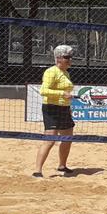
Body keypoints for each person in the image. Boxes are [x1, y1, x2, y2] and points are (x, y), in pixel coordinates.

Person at [34, 45, 76, 178]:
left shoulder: (66, 73)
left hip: (64, 108)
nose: (70, 60)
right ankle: (38, 170)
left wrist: (68, 106)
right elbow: (43, 91)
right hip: (51, 108)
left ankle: (62, 165)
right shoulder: (51, 72)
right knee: (50, 140)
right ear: (58, 58)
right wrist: (62, 94)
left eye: (70, 57)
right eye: (67, 57)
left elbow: (66, 93)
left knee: (67, 138)